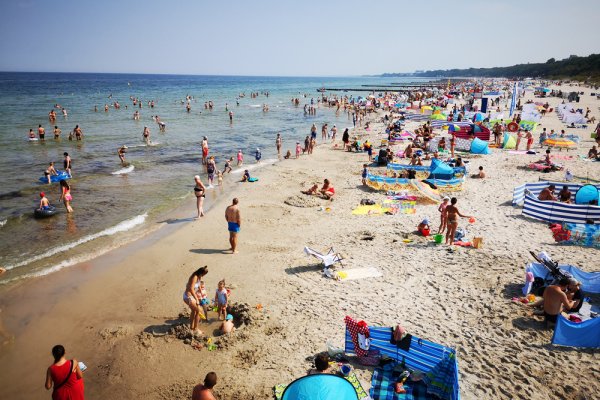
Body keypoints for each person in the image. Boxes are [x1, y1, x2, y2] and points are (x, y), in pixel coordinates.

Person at [183, 266, 208, 334]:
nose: (203, 276)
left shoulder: (199, 277)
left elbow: (198, 284)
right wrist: (196, 299)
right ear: (201, 273)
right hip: (188, 297)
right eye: (204, 274)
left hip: (191, 296)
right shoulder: (194, 277)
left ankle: (192, 327)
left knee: (194, 311)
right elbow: (191, 289)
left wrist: (201, 291)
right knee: (199, 310)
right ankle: (196, 329)